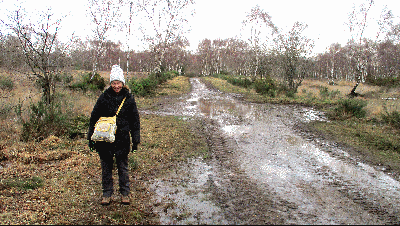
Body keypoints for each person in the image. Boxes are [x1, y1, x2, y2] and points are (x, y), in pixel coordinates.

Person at [87, 64, 140, 206]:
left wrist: (135, 140)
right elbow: (94, 117)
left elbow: (135, 120)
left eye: (118, 83)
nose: (116, 86)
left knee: (123, 167)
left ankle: (125, 194)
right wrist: (90, 138)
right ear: (110, 83)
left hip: (122, 138)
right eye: (114, 83)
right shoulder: (104, 97)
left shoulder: (129, 98)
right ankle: (106, 194)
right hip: (105, 139)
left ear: (123, 83)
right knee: (106, 167)